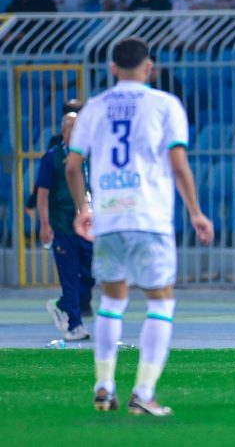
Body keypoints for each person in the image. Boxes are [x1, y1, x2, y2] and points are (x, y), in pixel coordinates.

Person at [65, 37, 214, 415]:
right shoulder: (165, 105)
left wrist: (84, 207)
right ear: (149, 67)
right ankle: (143, 392)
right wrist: (195, 211)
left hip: (110, 216)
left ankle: (103, 385)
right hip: (149, 217)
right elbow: (178, 164)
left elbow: (72, 165)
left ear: (112, 68)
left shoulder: (94, 108)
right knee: (160, 301)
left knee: (112, 301)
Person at [40, 112, 95, 340]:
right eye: (74, 128)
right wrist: (44, 224)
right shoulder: (52, 158)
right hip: (63, 224)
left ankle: (61, 305)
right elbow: (42, 193)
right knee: (70, 276)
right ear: (64, 131)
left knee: (90, 273)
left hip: (88, 226)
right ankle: (75, 325)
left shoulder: (89, 157)